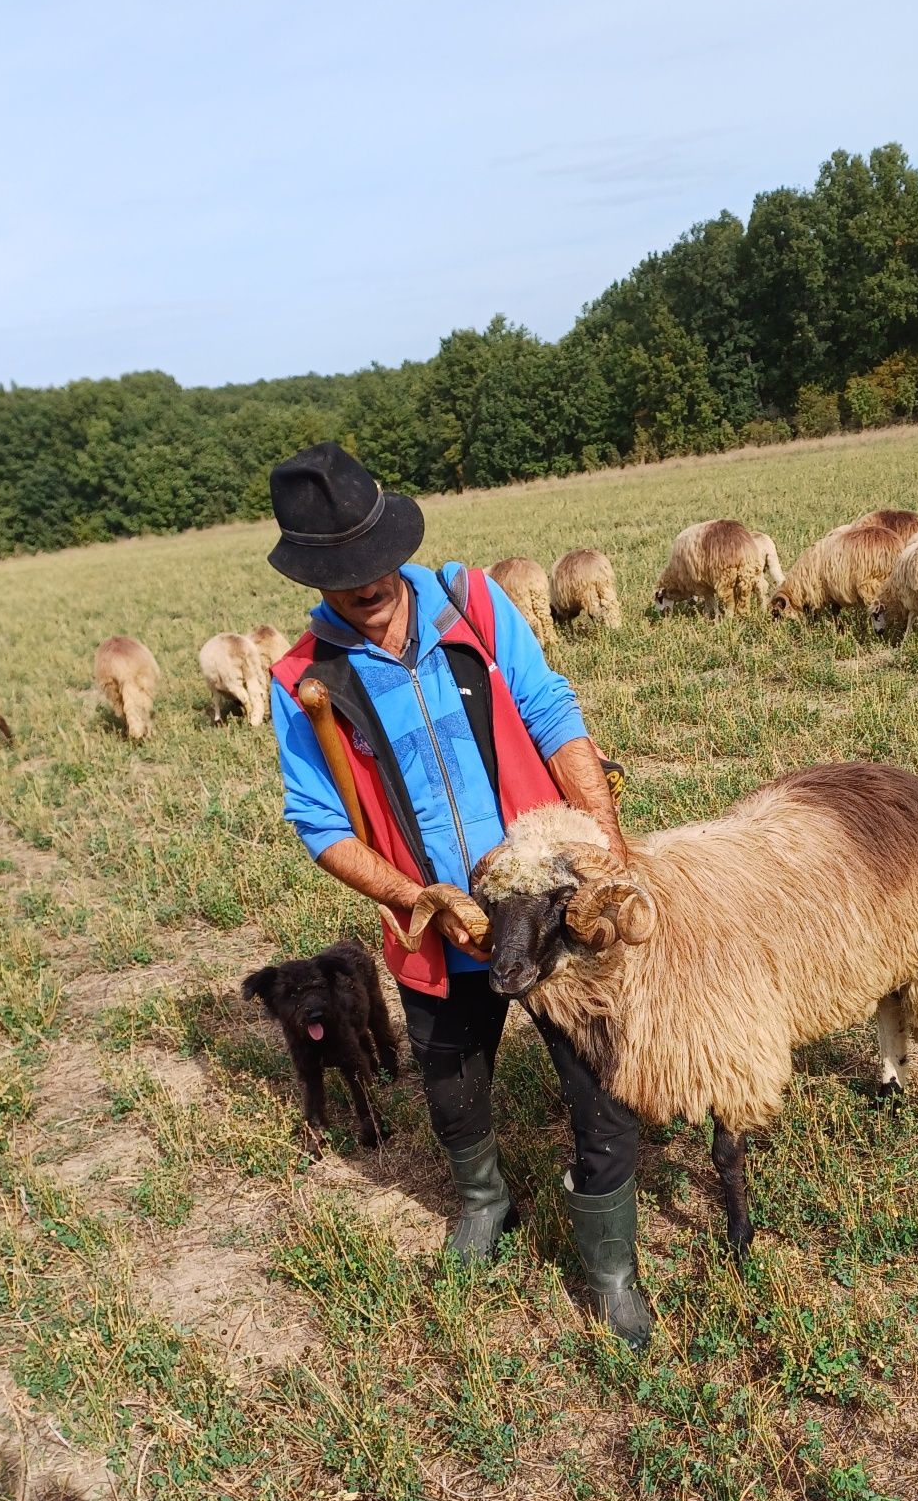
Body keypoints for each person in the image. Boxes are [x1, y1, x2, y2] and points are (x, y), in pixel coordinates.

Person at [265, 443, 651, 1348]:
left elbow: (553, 714)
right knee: (453, 1091)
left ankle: (610, 1270)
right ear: (312, 573)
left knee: (602, 1081)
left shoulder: (475, 607)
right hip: (435, 922)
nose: (363, 585)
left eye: (372, 563)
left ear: (394, 543)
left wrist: (606, 846)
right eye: (339, 572)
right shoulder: (304, 682)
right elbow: (320, 823)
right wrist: (416, 895)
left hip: (545, 899)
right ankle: (485, 1202)